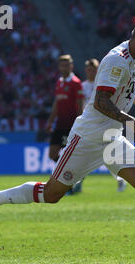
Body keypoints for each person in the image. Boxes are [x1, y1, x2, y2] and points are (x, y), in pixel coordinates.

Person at [0, 16, 135, 264]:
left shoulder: (133, 60)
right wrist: (134, 122)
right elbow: (101, 101)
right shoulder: (117, 59)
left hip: (111, 138)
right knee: (51, 194)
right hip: (89, 138)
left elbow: (118, 87)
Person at [82, 58, 127, 192]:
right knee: (83, 155)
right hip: (89, 124)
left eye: (93, 69)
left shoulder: (103, 83)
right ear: (86, 71)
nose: (91, 72)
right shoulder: (82, 86)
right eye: (89, 69)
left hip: (106, 124)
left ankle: (120, 179)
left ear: (97, 70)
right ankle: (76, 183)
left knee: (110, 156)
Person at [46, 54, 85, 194]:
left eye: (66, 65)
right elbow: (57, 103)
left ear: (71, 66)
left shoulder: (76, 83)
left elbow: (80, 104)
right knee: (52, 154)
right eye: (62, 65)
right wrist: (50, 121)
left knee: (67, 156)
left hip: (71, 125)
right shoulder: (59, 82)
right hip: (59, 125)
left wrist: (81, 123)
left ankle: (69, 182)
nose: (64, 67)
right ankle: (69, 179)